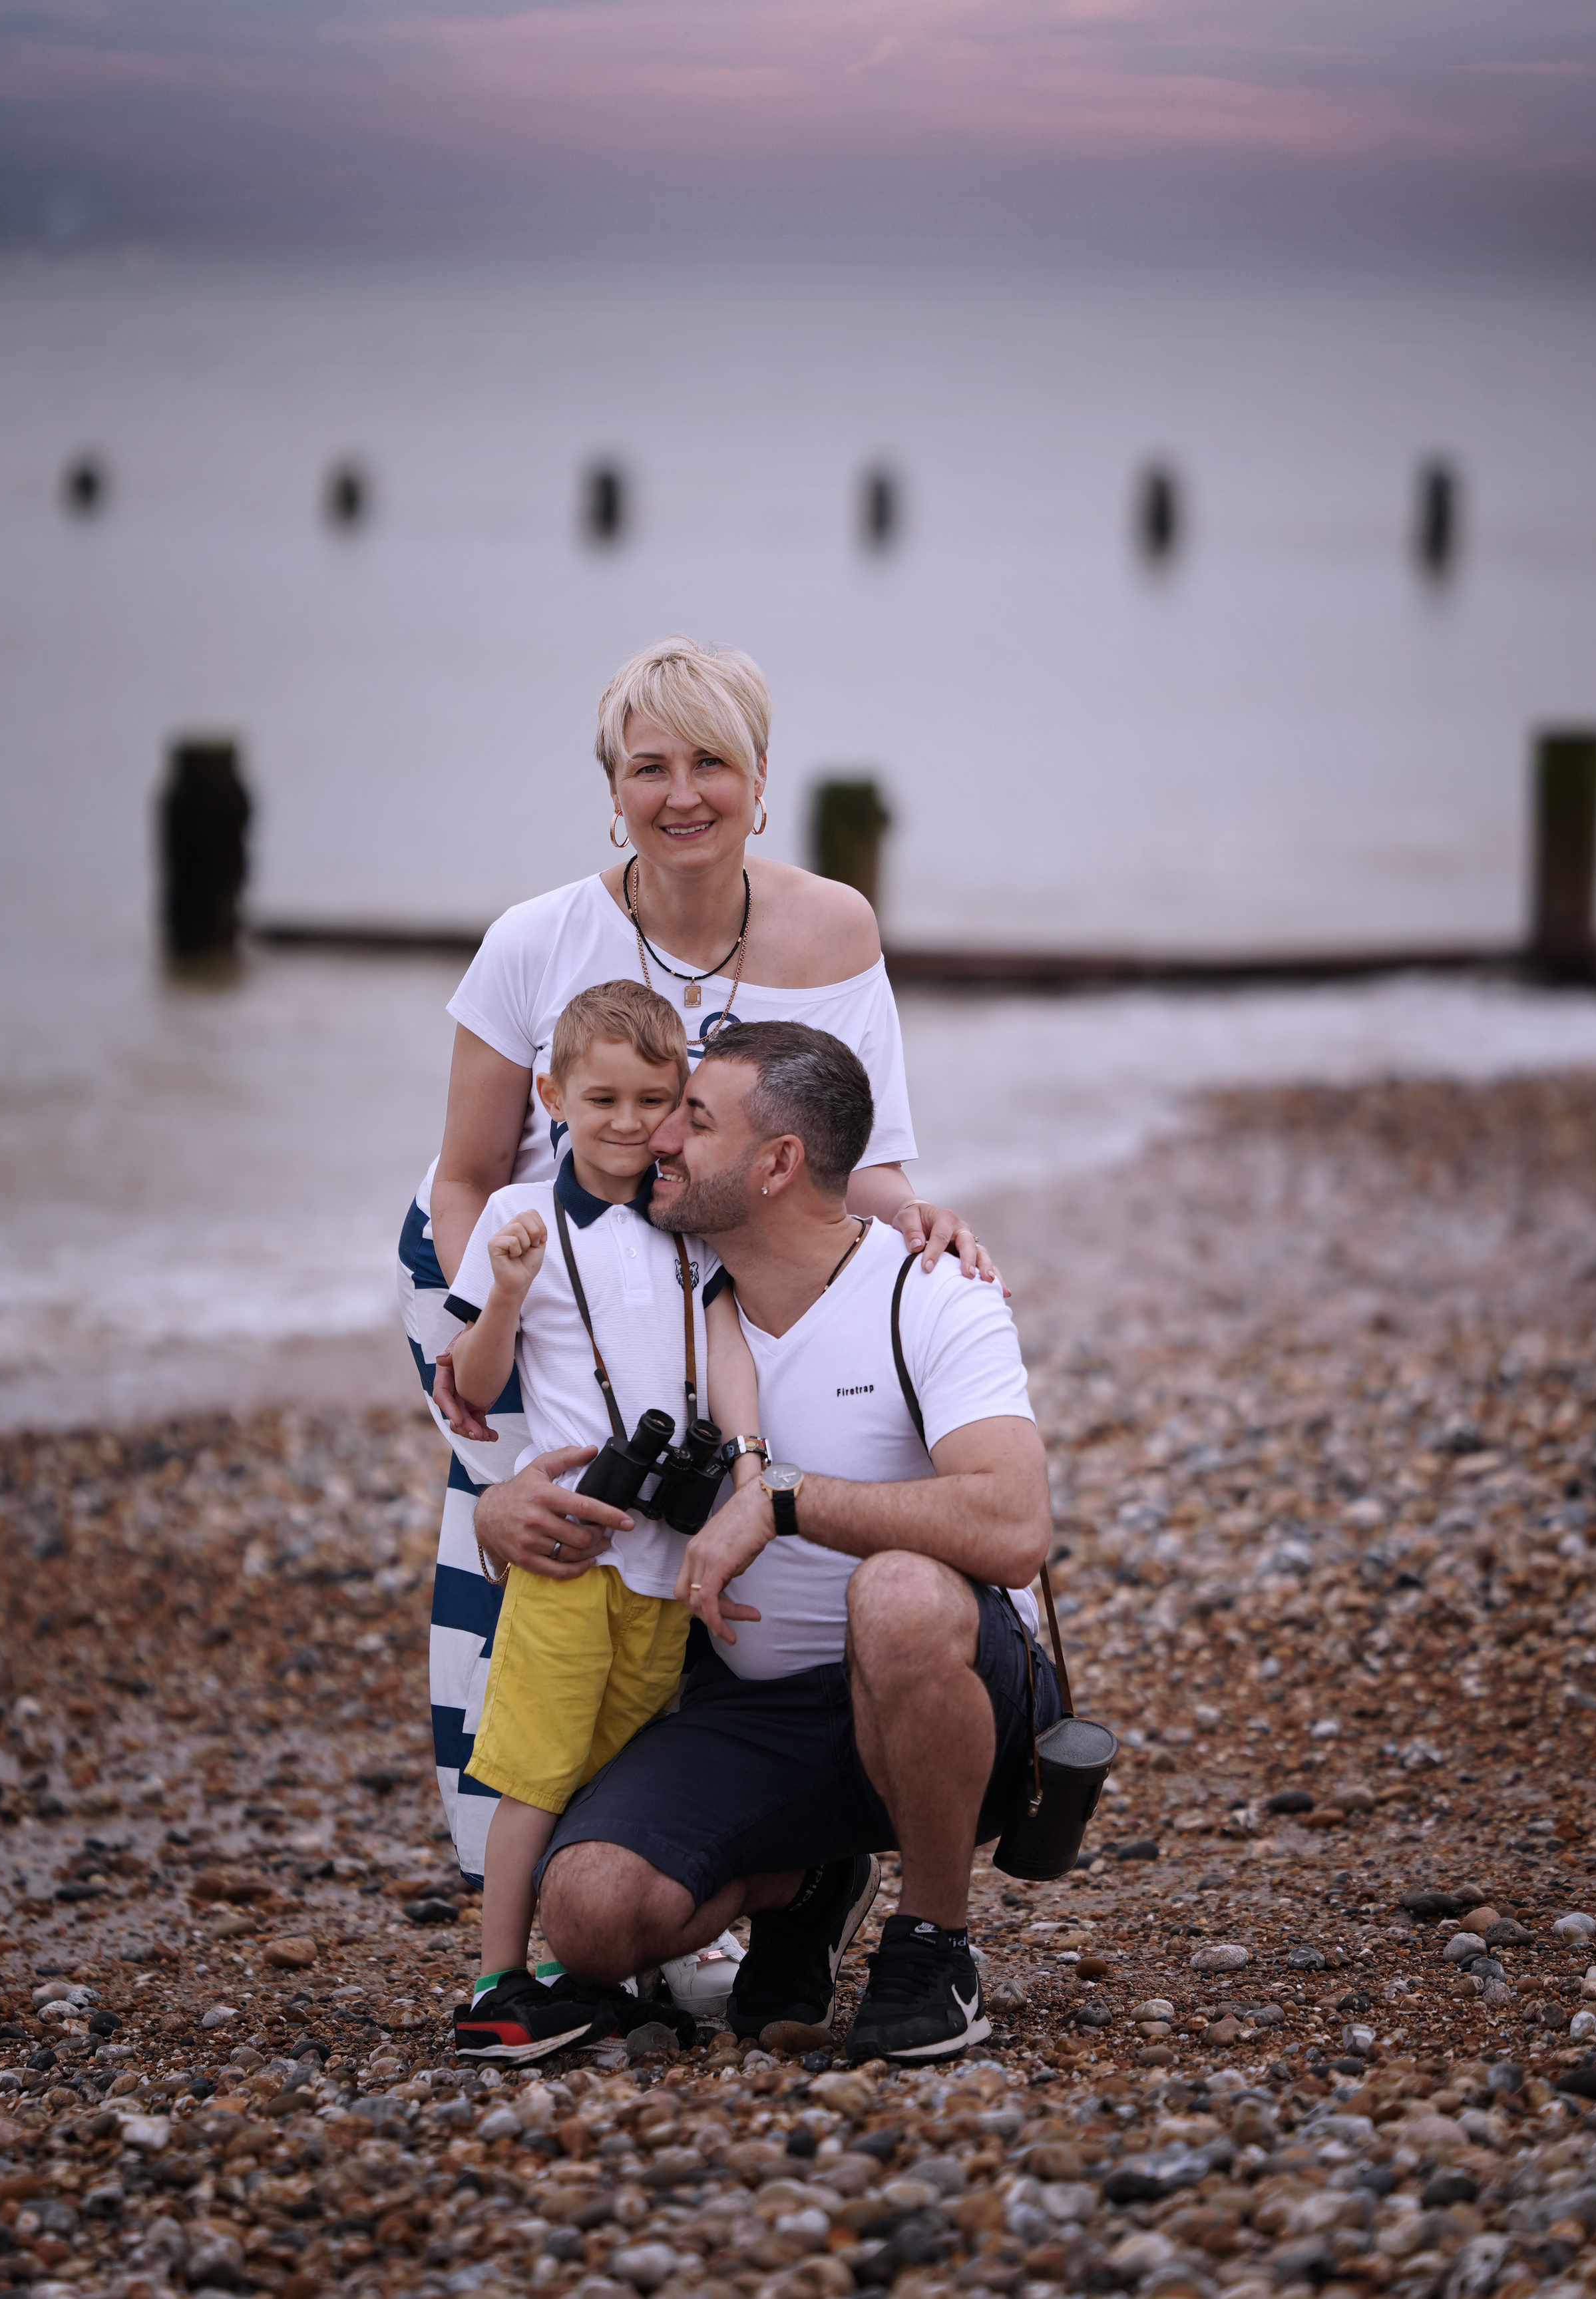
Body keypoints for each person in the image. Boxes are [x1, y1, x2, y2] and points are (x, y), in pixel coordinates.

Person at [397, 636, 999, 1889]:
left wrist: (923, 1219)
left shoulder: (833, 929)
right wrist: (494, 1421)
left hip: (696, 1301)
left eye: (711, 762)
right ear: (611, 784)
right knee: (521, 1674)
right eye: (648, 765)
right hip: (528, 1292)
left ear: (762, 777)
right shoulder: (530, 942)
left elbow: (857, 1161)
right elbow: (460, 1177)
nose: (681, 795)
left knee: (695, 1578)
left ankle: (777, 1853)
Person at [476, 1022, 1058, 2065]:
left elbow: (1016, 1526)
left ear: (778, 1162)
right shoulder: (667, 1291)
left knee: (899, 1597)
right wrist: (496, 1510)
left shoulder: (928, 1291)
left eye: (693, 1117)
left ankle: (934, 1942)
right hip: (755, 1711)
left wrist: (784, 1499)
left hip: (950, 1683)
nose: (658, 1134)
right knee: (592, 1918)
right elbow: (536, 1410)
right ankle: (814, 1876)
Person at [439, 982, 765, 2062]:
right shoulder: (514, 1219)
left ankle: (591, 1976)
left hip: (663, 1558)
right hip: (573, 1552)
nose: (628, 1123)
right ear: (551, 1095)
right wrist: (504, 1288)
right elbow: (474, 1386)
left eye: (653, 1100)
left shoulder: (687, 1225)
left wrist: (750, 1465)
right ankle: (494, 1981)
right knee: (535, 1763)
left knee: (616, 1765)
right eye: (602, 1098)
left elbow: (726, 1359)